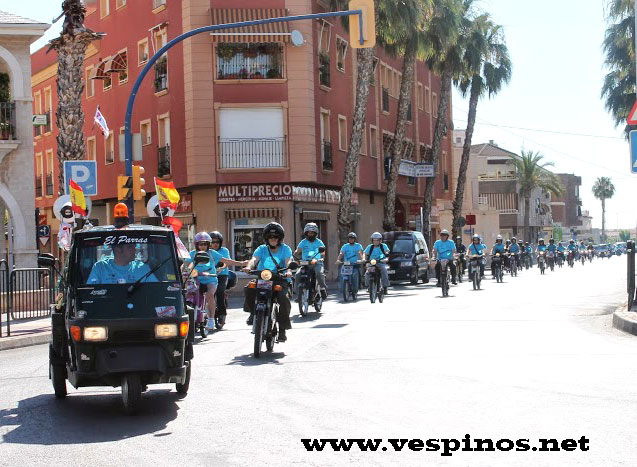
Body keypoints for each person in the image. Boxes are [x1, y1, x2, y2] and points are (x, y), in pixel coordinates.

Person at [243, 222, 294, 342]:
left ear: (279, 238)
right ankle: (253, 313)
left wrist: (289, 271)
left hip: (280, 279)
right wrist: (249, 267)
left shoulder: (285, 249)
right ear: (266, 238)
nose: (273, 239)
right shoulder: (261, 249)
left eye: (275, 237)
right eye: (270, 237)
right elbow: (254, 259)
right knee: (249, 288)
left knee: (283, 299)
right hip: (263, 278)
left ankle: (282, 330)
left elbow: (288, 261)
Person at [185, 232, 245, 331]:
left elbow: (226, 260)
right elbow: (186, 265)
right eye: (200, 244)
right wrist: (180, 271)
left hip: (211, 279)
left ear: (208, 244)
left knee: (210, 295)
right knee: (188, 294)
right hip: (196, 279)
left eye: (205, 244)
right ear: (196, 244)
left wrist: (242, 263)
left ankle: (211, 319)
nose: (203, 246)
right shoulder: (192, 253)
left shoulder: (212, 253)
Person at [87, 242, 158, 284]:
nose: (135, 249)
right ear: (118, 249)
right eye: (130, 246)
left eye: (134, 246)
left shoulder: (143, 268)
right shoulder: (100, 267)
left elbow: (155, 290)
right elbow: (91, 292)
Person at [294, 223, 328, 301]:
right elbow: (298, 251)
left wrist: (321, 259)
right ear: (306, 233)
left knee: (319, 273)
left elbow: (323, 254)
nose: (310, 234)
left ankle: (322, 289)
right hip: (305, 263)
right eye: (309, 232)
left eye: (312, 232)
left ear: (315, 233)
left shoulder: (319, 242)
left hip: (317, 263)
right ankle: (299, 294)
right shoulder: (303, 242)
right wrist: (294, 255)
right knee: (297, 275)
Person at [209, 231, 230, 327]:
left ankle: (222, 314)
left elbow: (226, 262)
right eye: (213, 242)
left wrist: (221, 268)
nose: (215, 244)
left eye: (217, 242)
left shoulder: (224, 251)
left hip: (222, 275)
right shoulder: (206, 251)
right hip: (208, 275)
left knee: (220, 291)